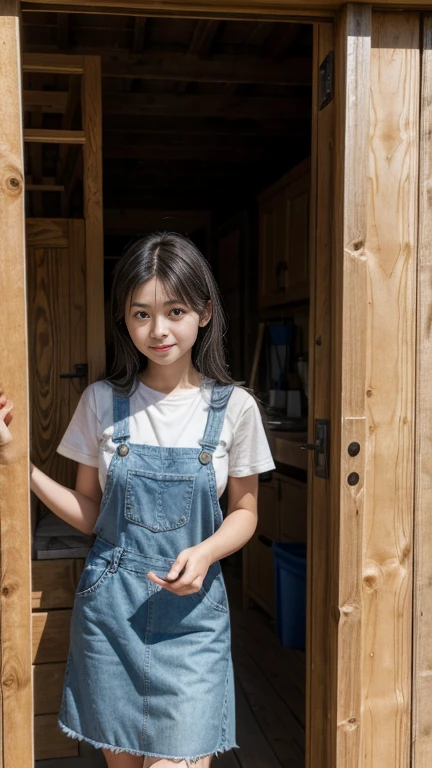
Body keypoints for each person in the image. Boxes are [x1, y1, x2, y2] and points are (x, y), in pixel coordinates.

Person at [0, 232, 275, 768]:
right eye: (141, 313)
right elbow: (89, 512)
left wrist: (206, 553)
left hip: (193, 621)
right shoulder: (102, 401)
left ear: (205, 312)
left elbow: (245, 512)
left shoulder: (236, 408)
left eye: (174, 310)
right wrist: (18, 463)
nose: (158, 330)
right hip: (111, 616)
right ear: (124, 320)